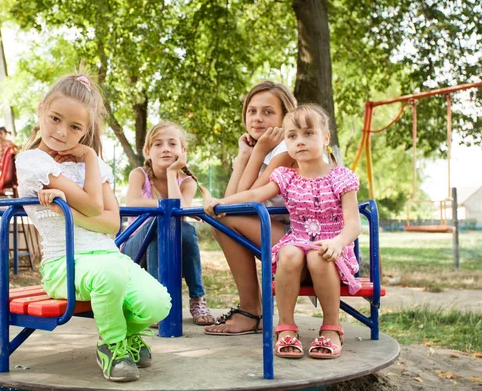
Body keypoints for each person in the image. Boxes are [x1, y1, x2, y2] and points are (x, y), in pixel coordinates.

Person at [15, 70, 171, 382]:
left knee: (158, 303)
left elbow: (111, 221)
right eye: (56, 119)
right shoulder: (33, 161)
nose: (62, 132)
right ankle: (112, 345)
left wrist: (85, 162)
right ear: (41, 109)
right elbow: (94, 206)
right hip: (64, 262)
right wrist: (84, 207)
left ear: (87, 129)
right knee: (109, 276)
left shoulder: (93, 162)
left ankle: (126, 334)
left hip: (109, 256)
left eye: (75, 127)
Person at [204, 104, 361, 359]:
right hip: (296, 243)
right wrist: (222, 203)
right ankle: (286, 326)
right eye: (292, 136)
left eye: (309, 133)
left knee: (317, 254)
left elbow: (353, 224)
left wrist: (338, 242)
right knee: (289, 253)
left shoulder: (341, 177)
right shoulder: (286, 176)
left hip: (332, 250)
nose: (300, 141)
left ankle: (332, 327)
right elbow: (255, 195)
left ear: (326, 137)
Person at [205, 81, 297, 336]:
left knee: (222, 221)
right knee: (220, 221)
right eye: (252, 111)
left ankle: (251, 311)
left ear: (285, 118)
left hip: (307, 243)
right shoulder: (266, 150)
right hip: (285, 236)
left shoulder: (287, 150)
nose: (257, 118)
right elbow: (230, 202)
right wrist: (245, 156)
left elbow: (243, 202)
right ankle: (251, 310)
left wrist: (257, 152)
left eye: (268, 112)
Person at [122, 121, 215, 326]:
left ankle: (195, 299)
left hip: (168, 245)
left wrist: (173, 174)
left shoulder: (187, 182)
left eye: (172, 144)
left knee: (184, 229)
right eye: (158, 144)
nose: (165, 148)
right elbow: (133, 202)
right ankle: (157, 302)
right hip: (134, 249)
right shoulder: (139, 175)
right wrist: (168, 208)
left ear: (182, 151)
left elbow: (179, 214)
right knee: (160, 221)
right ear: (148, 151)